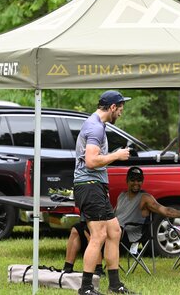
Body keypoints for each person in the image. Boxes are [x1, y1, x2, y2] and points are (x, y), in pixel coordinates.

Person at [73, 90, 133, 295]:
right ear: (113, 107)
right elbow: (90, 161)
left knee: (114, 231)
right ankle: (86, 288)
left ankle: (115, 284)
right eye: (121, 108)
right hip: (88, 185)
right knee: (98, 236)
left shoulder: (96, 124)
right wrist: (116, 155)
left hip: (95, 186)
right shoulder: (96, 128)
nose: (122, 113)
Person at [115, 166, 180, 250]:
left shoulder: (145, 197)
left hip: (130, 233)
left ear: (142, 182)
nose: (136, 183)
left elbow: (166, 211)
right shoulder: (121, 196)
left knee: (106, 233)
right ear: (127, 181)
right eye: (132, 180)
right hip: (115, 229)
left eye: (139, 180)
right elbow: (113, 215)